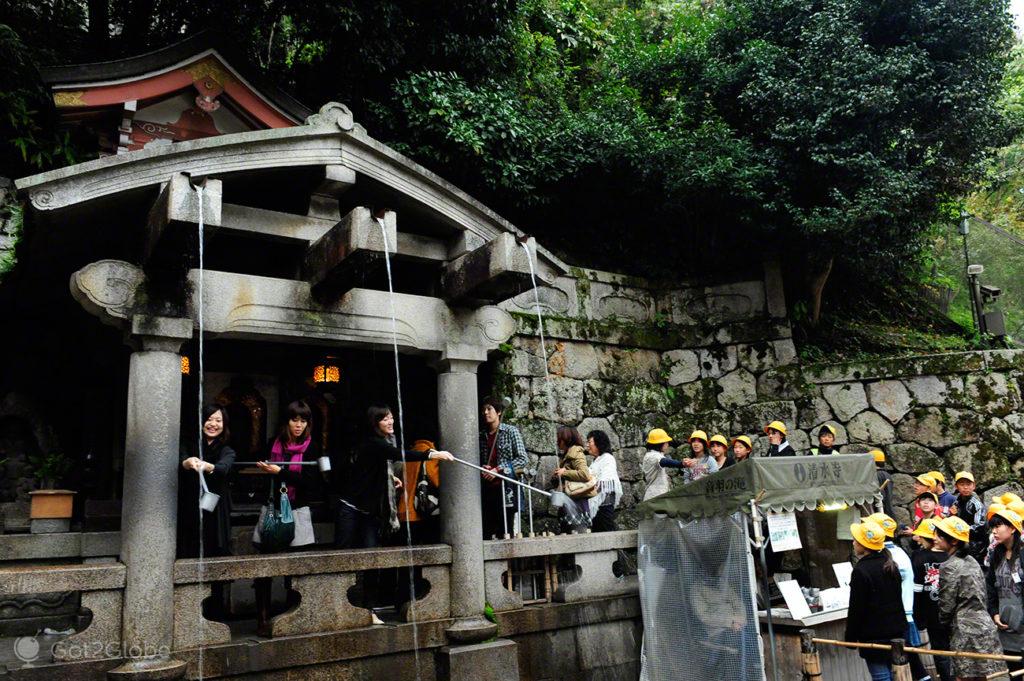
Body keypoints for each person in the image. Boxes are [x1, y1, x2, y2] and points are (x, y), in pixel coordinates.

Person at [336, 405, 454, 624]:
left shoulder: (385, 442)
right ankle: (338, 605)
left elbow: (375, 468)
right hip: (351, 507)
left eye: (391, 418)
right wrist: (433, 454)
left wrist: (389, 479)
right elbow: (399, 455)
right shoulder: (373, 442)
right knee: (343, 556)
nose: (390, 422)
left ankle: (369, 609)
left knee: (372, 558)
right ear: (375, 423)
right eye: (385, 419)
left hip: (372, 510)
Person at [253, 400, 327, 635]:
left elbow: (312, 482)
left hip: (298, 509)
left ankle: (291, 616)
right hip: (273, 509)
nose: (299, 425)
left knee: (296, 566)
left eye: (303, 420)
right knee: (265, 567)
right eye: (295, 419)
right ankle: (263, 618)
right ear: (286, 421)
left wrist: (281, 472)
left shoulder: (312, 448)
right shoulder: (272, 444)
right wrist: (267, 472)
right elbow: (259, 473)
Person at [935, 515, 1008, 680]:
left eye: (939, 536)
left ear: (953, 541)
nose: (935, 539)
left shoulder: (949, 566)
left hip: (964, 628)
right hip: (984, 623)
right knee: (987, 674)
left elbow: (946, 605)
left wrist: (942, 624)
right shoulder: (972, 560)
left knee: (965, 675)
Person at [845, 519, 906, 681]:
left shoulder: (861, 571)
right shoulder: (890, 565)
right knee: (896, 675)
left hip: (874, 635)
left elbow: (856, 608)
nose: (853, 543)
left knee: (882, 677)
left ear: (863, 545)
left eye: (856, 540)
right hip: (896, 631)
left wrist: (850, 638)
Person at [179, 404, 236, 559]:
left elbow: (223, 468)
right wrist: (188, 462)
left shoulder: (227, 449)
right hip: (190, 502)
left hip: (215, 505)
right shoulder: (189, 444)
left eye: (218, 420)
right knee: (189, 543)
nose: (213, 424)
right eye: (209, 419)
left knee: (215, 544)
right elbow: (181, 460)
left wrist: (207, 466)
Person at [479, 396, 528, 539]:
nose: (486, 413)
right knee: (486, 529)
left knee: (505, 529)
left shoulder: (510, 431)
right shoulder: (481, 436)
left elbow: (522, 459)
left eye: (489, 409)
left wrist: (498, 470)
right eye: (484, 410)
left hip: (506, 488)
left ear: (499, 411)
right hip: (486, 489)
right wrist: (485, 468)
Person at [910, 518, 953, 681]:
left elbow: (917, 590)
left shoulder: (918, 557)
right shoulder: (951, 554)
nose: (919, 539)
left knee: (940, 650)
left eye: (920, 536)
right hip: (953, 611)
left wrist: (918, 617)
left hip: (932, 612)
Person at [985, 507, 1024, 675]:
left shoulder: (1022, 553)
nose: (994, 531)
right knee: (1012, 671)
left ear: (1013, 528)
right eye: (993, 527)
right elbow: (990, 588)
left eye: (998, 526)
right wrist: (994, 613)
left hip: (1023, 624)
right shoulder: (995, 554)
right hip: (1005, 625)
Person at [395, 439, 441, 545]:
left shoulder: (409, 453)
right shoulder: (430, 453)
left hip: (404, 509)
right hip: (420, 511)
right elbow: (436, 480)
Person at [550, 426, 593, 531]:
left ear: (566, 438)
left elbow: (584, 474)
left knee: (576, 534)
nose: (557, 441)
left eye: (559, 438)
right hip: (569, 501)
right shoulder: (567, 454)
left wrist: (564, 472)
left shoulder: (576, 453)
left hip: (576, 504)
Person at [586, 430, 622, 532]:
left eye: (589, 442)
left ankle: (615, 548)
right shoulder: (596, 460)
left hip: (605, 501)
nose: (587, 445)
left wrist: (592, 486)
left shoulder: (607, 458)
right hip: (597, 500)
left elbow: (607, 479)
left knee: (606, 527)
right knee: (597, 528)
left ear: (598, 442)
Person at [953, 471, 987, 565]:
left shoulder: (976, 505)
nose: (965, 487)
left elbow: (980, 525)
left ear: (973, 486)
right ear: (956, 486)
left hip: (976, 544)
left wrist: (961, 530)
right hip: (961, 541)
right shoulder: (957, 502)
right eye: (962, 484)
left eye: (968, 484)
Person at [641, 428, 676, 501]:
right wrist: (682, 463)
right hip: (655, 495)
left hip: (656, 495)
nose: (667, 444)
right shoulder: (653, 456)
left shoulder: (653, 454)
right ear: (660, 444)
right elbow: (664, 462)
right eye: (665, 442)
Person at [871, 450, 895, 518]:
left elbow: (880, 497)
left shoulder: (875, 475)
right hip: (888, 511)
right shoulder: (887, 475)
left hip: (880, 511)